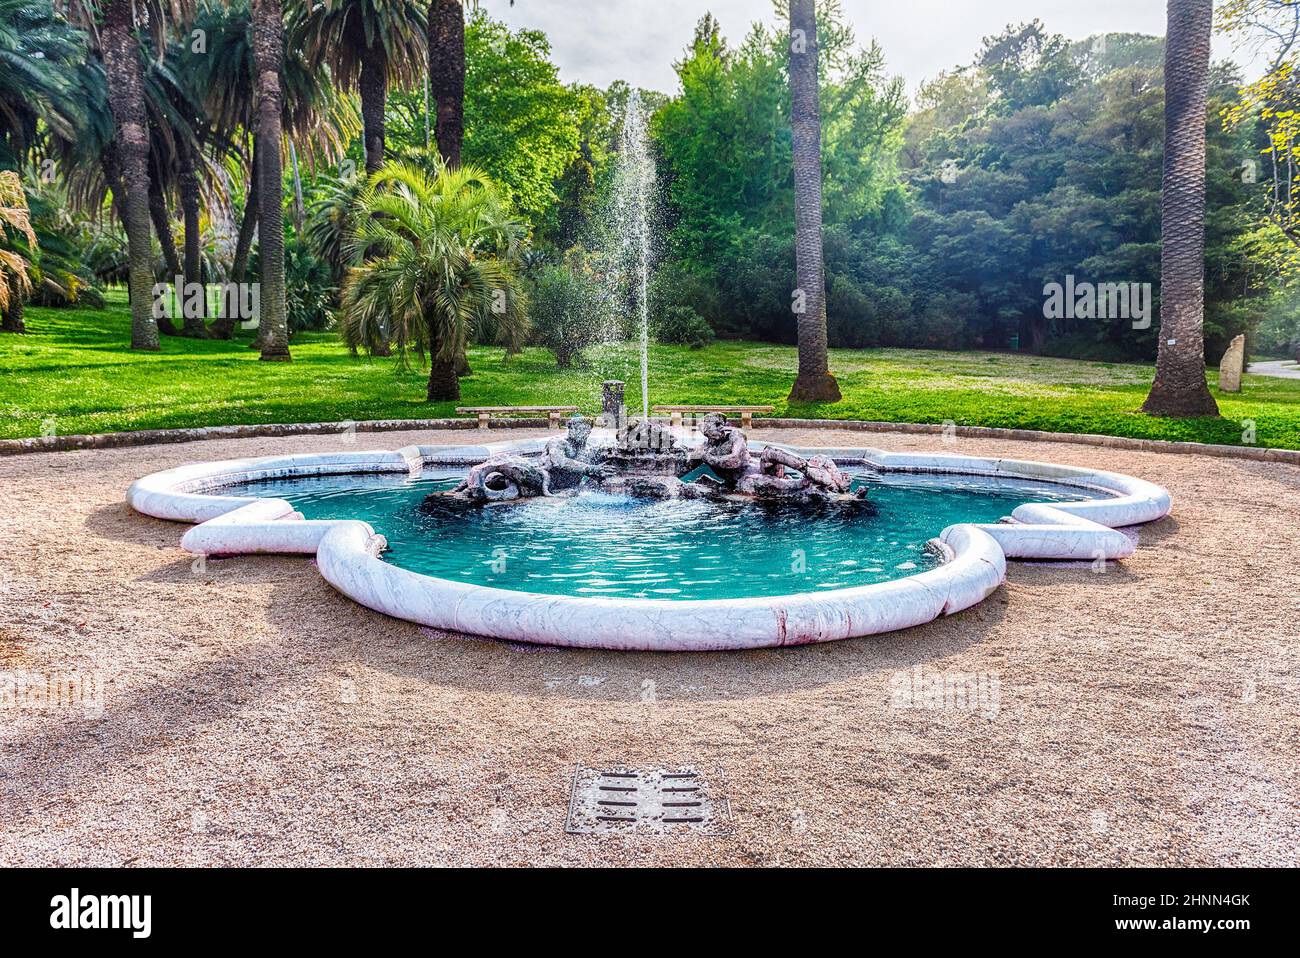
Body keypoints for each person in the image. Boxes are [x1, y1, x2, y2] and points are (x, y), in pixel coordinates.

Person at [543, 415, 613, 491]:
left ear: (589, 431)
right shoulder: (557, 442)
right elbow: (558, 462)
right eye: (576, 428)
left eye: (584, 429)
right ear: (570, 429)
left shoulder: (589, 450)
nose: (580, 432)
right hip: (547, 481)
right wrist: (591, 468)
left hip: (570, 488)